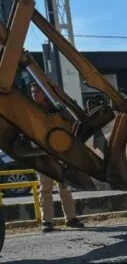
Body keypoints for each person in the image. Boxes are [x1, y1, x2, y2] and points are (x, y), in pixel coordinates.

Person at [30, 83, 84, 233]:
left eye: (38, 92)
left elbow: (71, 124)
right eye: (33, 92)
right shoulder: (30, 110)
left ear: (44, 93)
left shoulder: (57, 109)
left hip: (60, 153)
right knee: (45, 188)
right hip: (42, 155)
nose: (35, 95)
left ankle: (71, 218)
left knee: (64, 186)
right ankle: (47, 222)